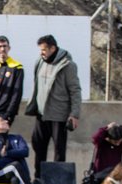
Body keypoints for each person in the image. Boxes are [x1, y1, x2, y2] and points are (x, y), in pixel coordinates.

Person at [25, 35, 82, 174]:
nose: (41, 52)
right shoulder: (40, 61)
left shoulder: (67, 65)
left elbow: (75, 90)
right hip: (41, 114)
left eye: (44, 49)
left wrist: (74, 114)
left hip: (59, 115)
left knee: (58, 149)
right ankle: (38, 176)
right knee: (38, 146)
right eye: (40, 50)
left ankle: (57, 178)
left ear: (53, 48)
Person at [0, 36, 24, 126]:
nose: (2, 49)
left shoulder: (17, 67)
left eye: (5, 46)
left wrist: (9, 113)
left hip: (6, 111)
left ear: (9, 48)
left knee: (1, 136)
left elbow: (17, 93)